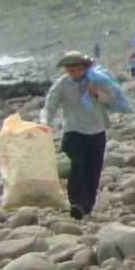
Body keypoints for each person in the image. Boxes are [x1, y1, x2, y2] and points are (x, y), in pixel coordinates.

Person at [41, 52, 118, 218]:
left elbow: (111, 98)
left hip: (96, 131)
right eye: (72, 71)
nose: (76, 74)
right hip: (73, 131)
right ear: (67, 71)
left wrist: (96, 92)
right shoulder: (62, 85)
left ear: (84, 68)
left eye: (79, 70)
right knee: (77, 163)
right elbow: (50, 106)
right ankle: (76, 203)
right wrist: (44, 122)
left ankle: (87, 206)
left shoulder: (98, 80)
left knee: (93, 169)